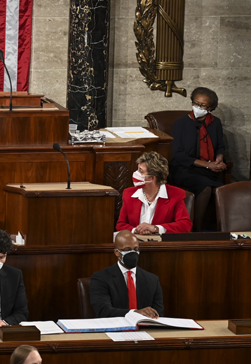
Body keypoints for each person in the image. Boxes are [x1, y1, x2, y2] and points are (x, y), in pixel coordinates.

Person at [170, 87, 227, 231]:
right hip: (184, 168)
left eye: (203, 105)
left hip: (208, 168)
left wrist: (219, 160)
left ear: (211, 108)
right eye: (196, 103)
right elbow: (178, 155)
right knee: (205, 187)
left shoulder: (215, 123)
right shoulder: (180, 123)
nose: (198, 107)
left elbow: (220, 146)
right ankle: (196, 229)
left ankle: (222, 229)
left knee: (222, 188)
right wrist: (208, 165)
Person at [90, 230, 163, 318]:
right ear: (116, 252)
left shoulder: (152, 280)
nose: (132, 253)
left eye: (135, 249)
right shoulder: (101, 278)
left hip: (145, 329)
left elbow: (158, 314)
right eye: (127, 250)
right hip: (115, 329)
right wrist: (135, 313)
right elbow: (103, 311)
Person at [116, 151, 192, 234]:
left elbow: (185, 225)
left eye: (141, 171)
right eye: (137, 169)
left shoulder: (176, 194)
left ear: (152, 178)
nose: (135, 174)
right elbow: (121, 225)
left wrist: (156, 228)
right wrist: (137, 230)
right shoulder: (129, 193)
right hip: (134, 243)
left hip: (161, 245)